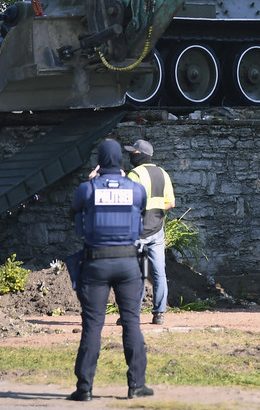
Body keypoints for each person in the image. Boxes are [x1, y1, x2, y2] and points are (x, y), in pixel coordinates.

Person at [69, 139, 153, 401]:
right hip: (128, 263)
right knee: (131, 322)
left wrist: (93, 179)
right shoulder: (136, 189)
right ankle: (136, 385)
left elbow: (74, 211)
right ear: (120, 161)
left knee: (93, 325)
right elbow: (142, 216)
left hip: (96, 262)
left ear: (100, 160)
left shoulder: (88, 188)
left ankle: (84, 389)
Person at [125, 139, 176, 325]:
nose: (130, 155)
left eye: (133, 152)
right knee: (159, 273)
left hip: (138, 231)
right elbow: (171, 203)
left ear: (141, 155)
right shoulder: (163, 173)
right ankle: (159, 314)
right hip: (157, 229)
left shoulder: (135, 174)